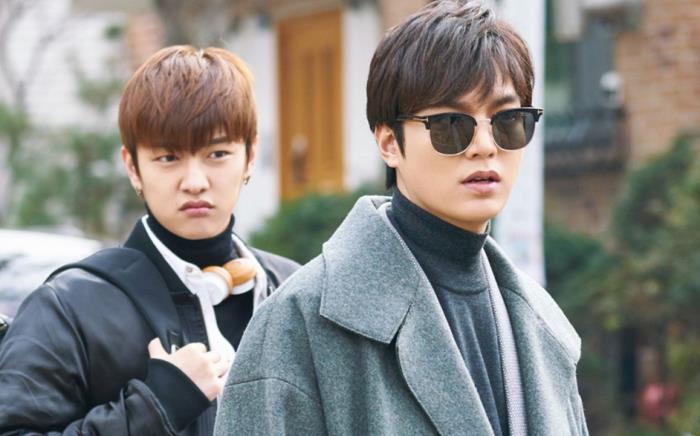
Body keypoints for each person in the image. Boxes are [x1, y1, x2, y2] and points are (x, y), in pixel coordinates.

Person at [215, 1, 589, 435]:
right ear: (389, 143)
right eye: (451, 125)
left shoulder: (543, 326)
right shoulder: (299, 323)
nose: (486, 146)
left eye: (507, 122)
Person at [0, 46, 299, 435]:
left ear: (250, 154)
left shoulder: (294, 292)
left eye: (217, 153)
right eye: (168, 158)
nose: (195, 181)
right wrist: (159, 404)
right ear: (132, 166)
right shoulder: (70, 306)